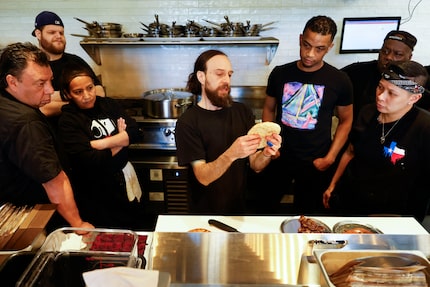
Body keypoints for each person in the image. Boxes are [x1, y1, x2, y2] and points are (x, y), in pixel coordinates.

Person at [261, 15, 353, 214]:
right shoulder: (279, 73)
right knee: (266, 208)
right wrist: (270, 145)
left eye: (319, 49)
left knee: (309, 216)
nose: (310, 54)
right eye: (306, 45)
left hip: (316, 161)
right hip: (280, 156)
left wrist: (330, 157)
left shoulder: (340, 80)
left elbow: (346, 120)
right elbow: (268, 109)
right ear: (300, 38)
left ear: (329, 47)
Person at [0, 42, 94, 231]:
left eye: (50, 80)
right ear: (12, 81)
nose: (51, 90)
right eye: (41, 83)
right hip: (36, 218)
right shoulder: (26, 123)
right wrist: (78, 224)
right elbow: (55, 182)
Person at [174, 49, 282, 214]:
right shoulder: (188, 122)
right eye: (219, 74)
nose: (226, 81)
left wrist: (266, 153)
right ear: (201, 77)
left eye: (229, 75)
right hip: (204, 213)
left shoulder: (242, 111)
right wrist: (232, 153)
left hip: (238, 210)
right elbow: (203, 176)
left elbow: (256, 165)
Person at [323, 60, 430, 223]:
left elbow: (423, 184)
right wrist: (333, 185)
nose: (380, 96)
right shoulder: (367, 112)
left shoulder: (424, 126)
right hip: (353, 200)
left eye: (392, 93)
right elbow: (350, 152)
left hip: (393, 213)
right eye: (380, 87)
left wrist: (407, 218)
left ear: (414, 98)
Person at [57, 62, 146, 229]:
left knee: (134, 228)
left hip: (124, 178)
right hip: (96, 191)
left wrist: (101, 143)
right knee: (107, 237)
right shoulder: (68, 121)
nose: (87, 95)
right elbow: (92, 159)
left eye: (90, 88)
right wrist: (121, 139)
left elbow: (136, 132)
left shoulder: (108, 105)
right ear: (68, 94)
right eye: (78, 92)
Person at [32, 10, 105, 117]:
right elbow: (40, 108)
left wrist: (56, 98)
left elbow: (99, 92)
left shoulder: (76, 61)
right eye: (52, 32)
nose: (58, 36)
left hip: (80, 128)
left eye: (61, 33)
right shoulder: (32, 65)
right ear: (38, 34)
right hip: (46, 130)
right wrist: (79, 100)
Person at [341, 30, 430, 118]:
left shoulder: (416, 82)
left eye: (398, 54)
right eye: (385, 51)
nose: (388, 57)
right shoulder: (356, 71)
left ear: (409, 57)